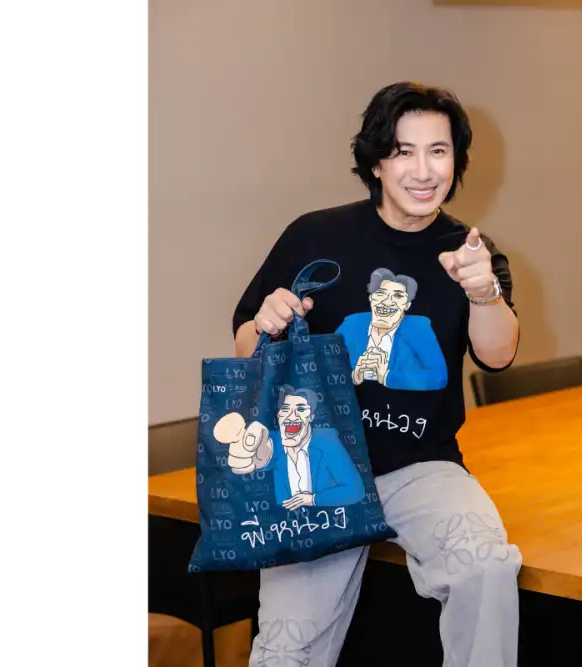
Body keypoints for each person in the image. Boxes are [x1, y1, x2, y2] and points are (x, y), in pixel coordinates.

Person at [232, 81, 522, 667]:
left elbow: (498, 356)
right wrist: (266, 322)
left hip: (422, 467)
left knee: (487, 569)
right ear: (376, 162)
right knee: (286, 650)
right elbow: (245, 348)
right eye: (403, 151)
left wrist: (484, 292)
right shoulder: (315, 235)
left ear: (456, 161)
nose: (423, 170)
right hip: (317, 464)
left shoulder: (469, 251)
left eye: (438, 151)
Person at [213, 386, 365, 509]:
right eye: (285, 409)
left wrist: (312, 499)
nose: (291, 416)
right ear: (279, 416)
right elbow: (268, 451)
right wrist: (255, 454)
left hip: (331, 526)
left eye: (301, 409)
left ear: (311, 417)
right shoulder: (271, 440)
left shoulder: (327, 443)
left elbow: (355, 491)